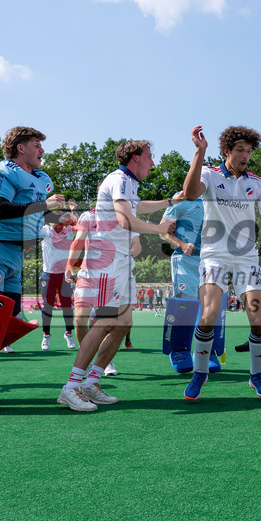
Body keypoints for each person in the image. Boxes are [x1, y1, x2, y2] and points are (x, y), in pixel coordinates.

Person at [59, 140, 176, 412]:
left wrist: (171, 201)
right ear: (135, 157)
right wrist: (160, 228)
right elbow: (126, 220)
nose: (153, 162)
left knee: (123, 324)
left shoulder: (129, 183)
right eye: (149, 156)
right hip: (107, 263)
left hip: (121, 262)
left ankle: (92, 383)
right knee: (105, 322)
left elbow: (137, 207)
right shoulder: (120, 179)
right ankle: (71, 387)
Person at [181, 125, 261, 401]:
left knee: (257, 318)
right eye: (240, 150)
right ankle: (200, 373)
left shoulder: (257, 182)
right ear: (226, 151)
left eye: (249, 151)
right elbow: (190, 193)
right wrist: (199, 152)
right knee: (209, 315)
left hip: (246, 257)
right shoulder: (209, 174)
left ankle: (257, 375)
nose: (246, 155)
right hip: (215, 255)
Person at [0, 126, 72, 346]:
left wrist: (60, 218)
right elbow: (1, 209)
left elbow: (36, 213)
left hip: (15, 256)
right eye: (37, 145)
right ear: (20, 148)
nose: (42, 150)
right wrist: (44, 205)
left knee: (9, 319)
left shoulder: (41, 178)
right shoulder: (4, 170)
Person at [38, 211, 78, 350]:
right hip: (48, 275)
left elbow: (81, 226)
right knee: (47, 306)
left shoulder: (69, 230)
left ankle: (68, 333)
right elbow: (30, 226)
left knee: (67, 305)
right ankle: (46, 335)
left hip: (65, 274)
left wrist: (74, 212)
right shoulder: (44, 230)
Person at [161, 196, 204, 299]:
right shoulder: (182, 198)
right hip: (186, 262)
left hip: (209, 263)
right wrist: (182, 245)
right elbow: (162, 231)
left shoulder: (218, 198)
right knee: (187, 305)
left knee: (211, 307)